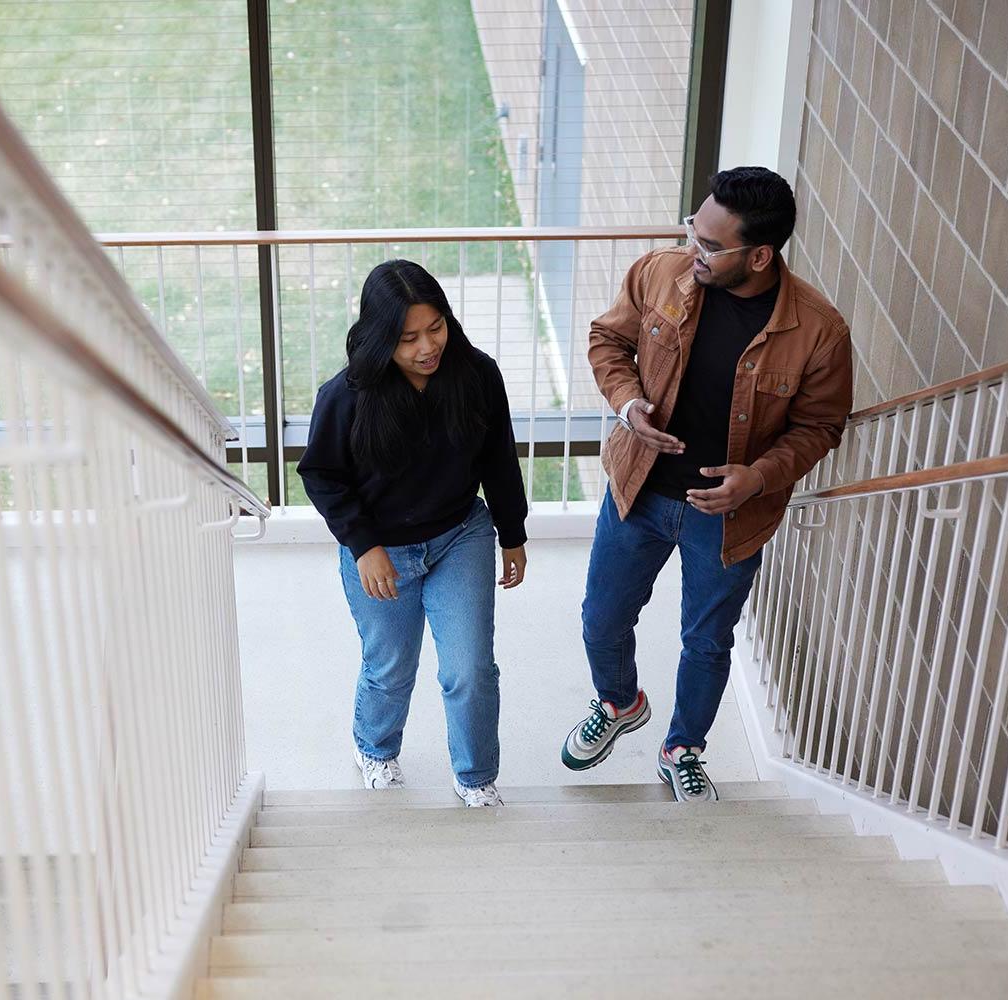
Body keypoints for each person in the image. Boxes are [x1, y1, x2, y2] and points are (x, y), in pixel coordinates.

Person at [561, 166, 853, 801]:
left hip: (728, 514)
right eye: (695, 228)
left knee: (706, 641)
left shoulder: (819, 331)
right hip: (637, 487)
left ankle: (682, 748)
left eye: (712, 245)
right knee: (601, 620)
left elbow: (822, 425)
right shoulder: (660, 273)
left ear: (759, 256)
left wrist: (759, 478)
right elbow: (608, 338)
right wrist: (627, 403)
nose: (694, 247)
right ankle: (617, 703)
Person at [299, 259, 529, 807]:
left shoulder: (476, 375)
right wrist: (364, 546)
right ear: (382, 340)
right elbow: (321, 474)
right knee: (391, 666)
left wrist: (512, 532)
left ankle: (476, 779)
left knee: (470, 667)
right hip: (381, 550)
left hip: (459, 534)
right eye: (408, 338)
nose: (428, 347)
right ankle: (374, 749)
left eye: (436, 328)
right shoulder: (348, 394)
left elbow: (498, 459)